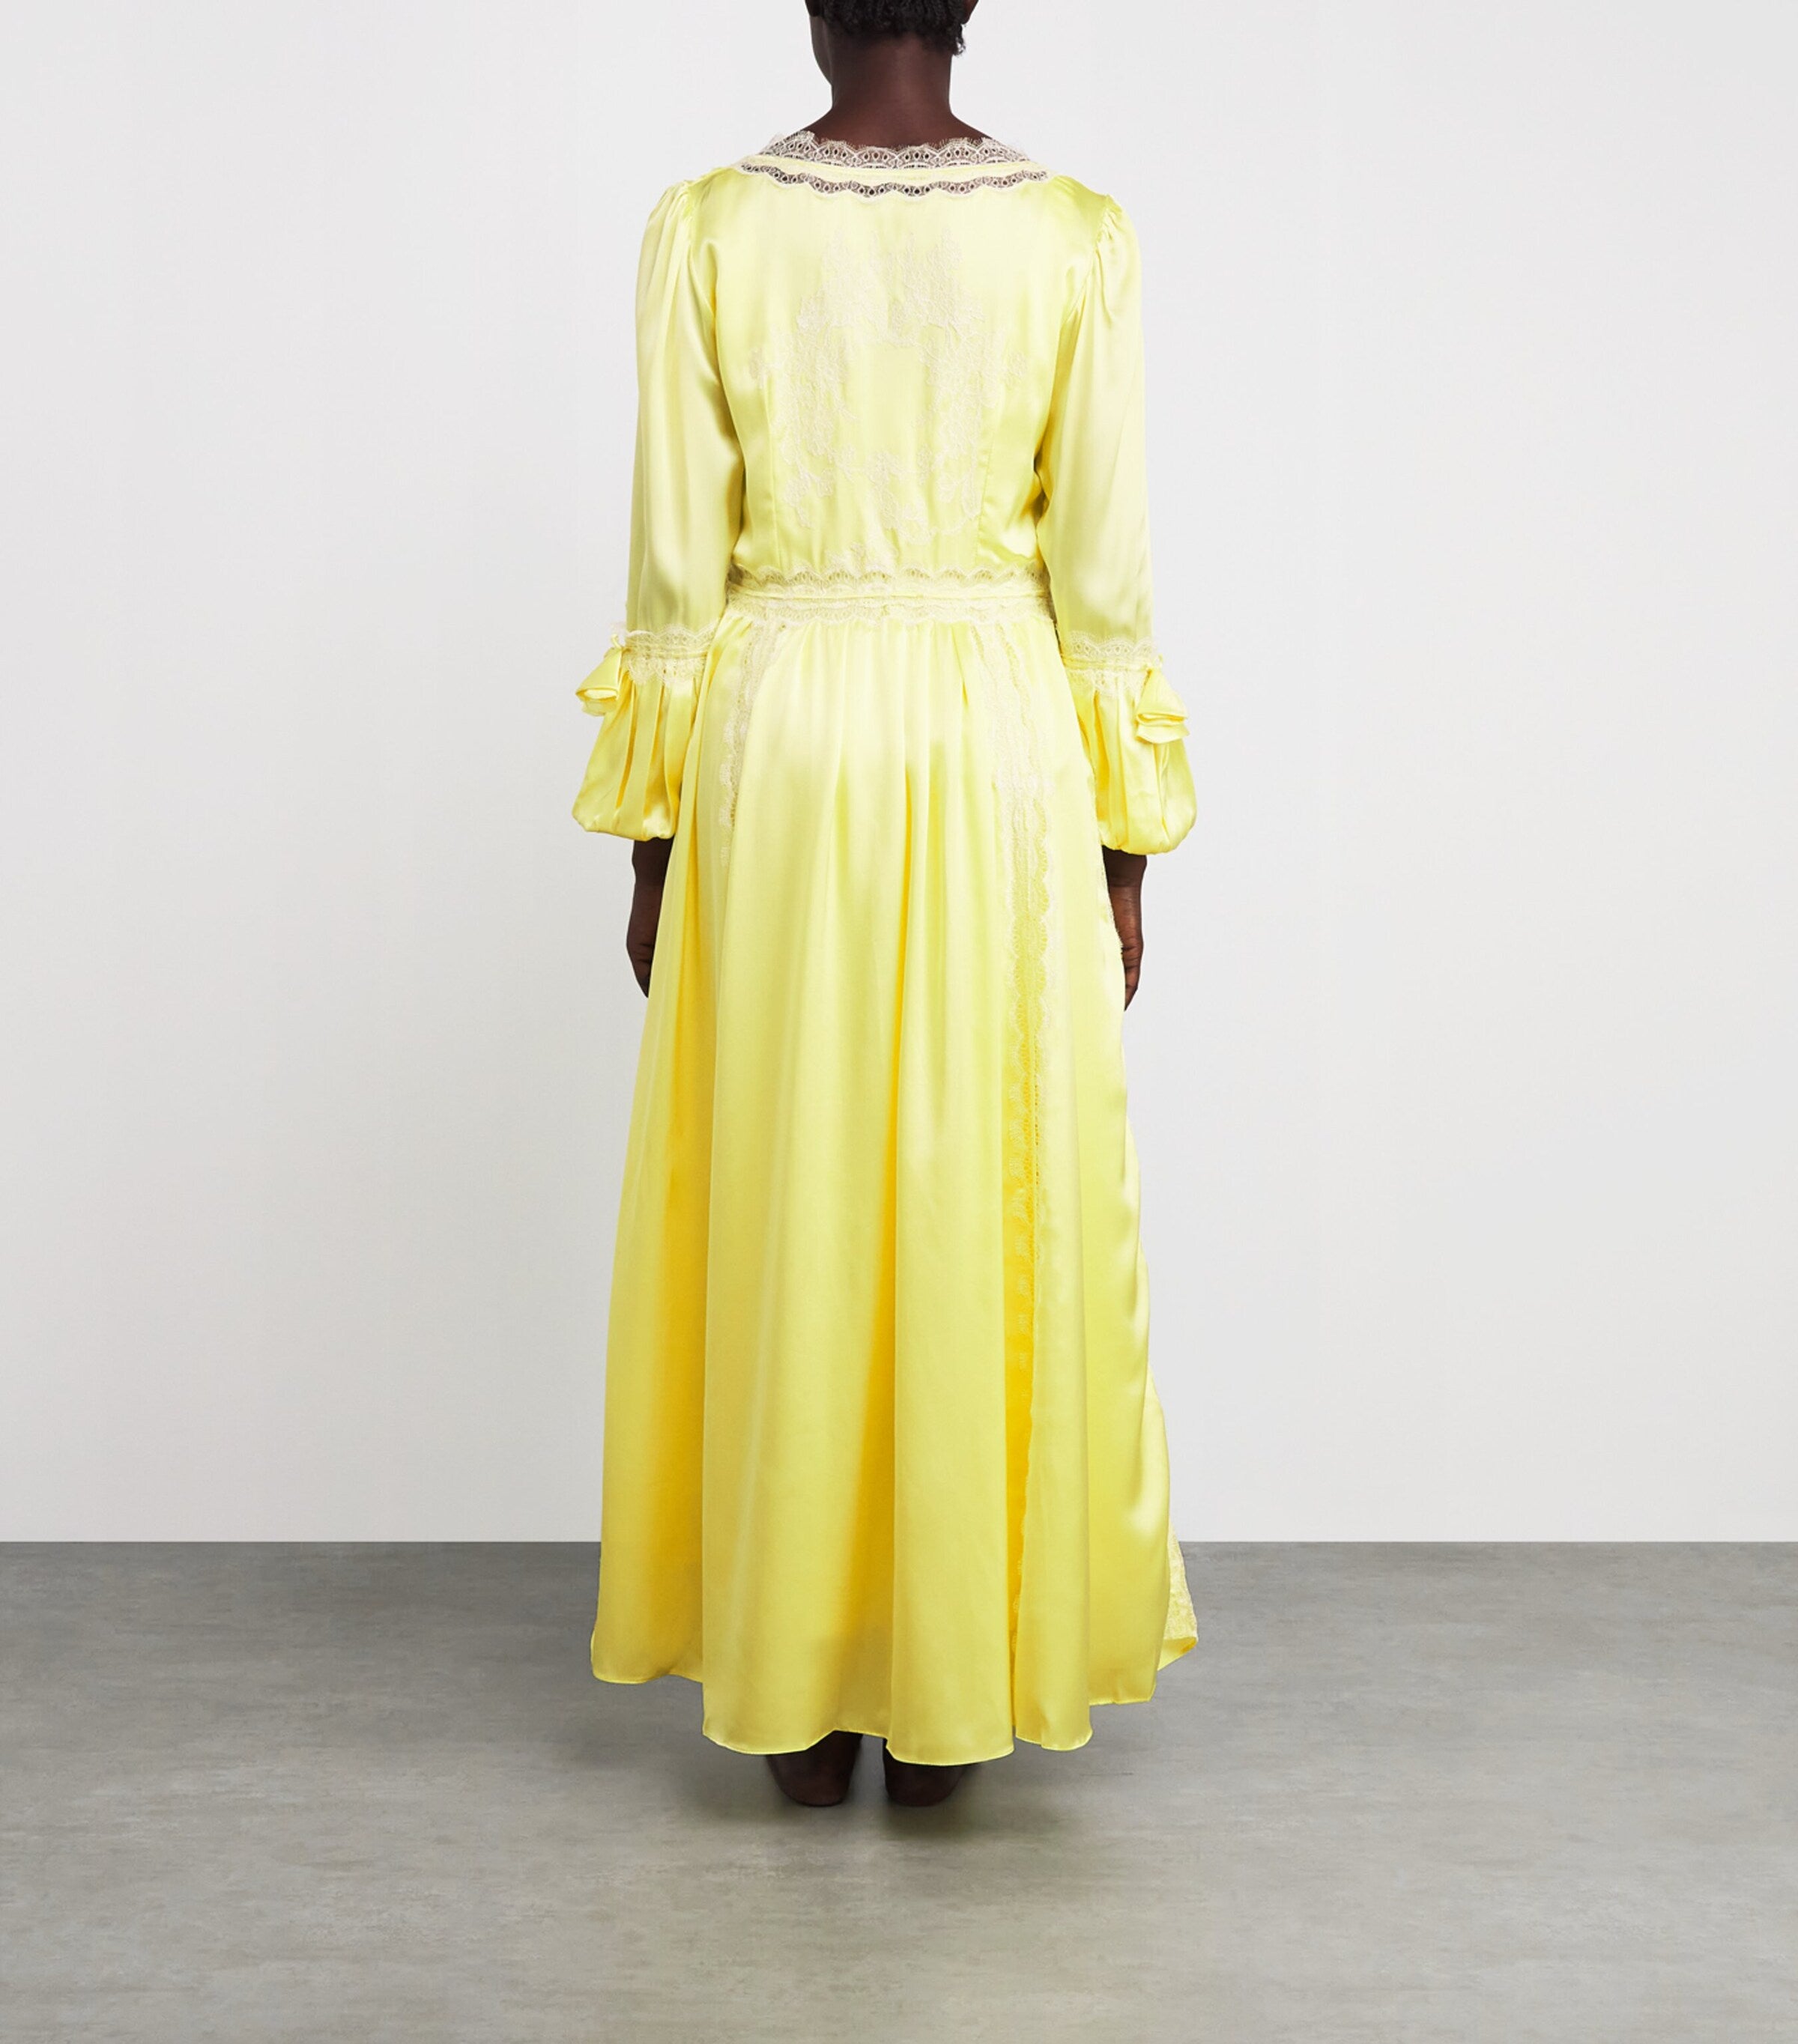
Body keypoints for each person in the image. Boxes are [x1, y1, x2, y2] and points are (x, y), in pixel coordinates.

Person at [573, 0, 1197, 1810]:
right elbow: (1103, 567)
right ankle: (948, 1678)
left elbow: (677, 557)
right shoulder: (1076, 238)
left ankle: (799, 1686)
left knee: (789, 1182)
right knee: (986, 1187)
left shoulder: (708, 227)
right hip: (1000, 737)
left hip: (778, 740)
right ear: (968, 7)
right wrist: (1126, 844)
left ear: (816, 7)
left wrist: (653, 841)